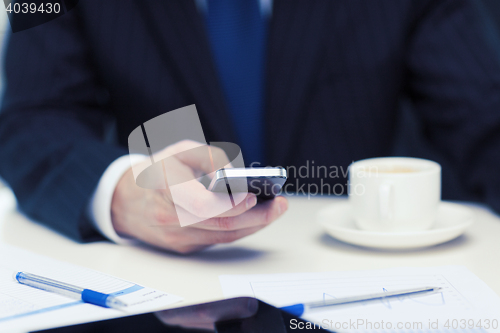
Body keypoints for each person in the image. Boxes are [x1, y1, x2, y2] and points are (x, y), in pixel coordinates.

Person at [1, 0, 500, 254]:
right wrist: (121, 194)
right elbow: (31, 117)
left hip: (352, 282)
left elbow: (486, 117)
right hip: (157, 287)